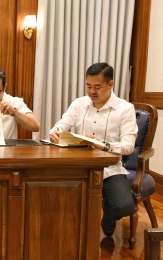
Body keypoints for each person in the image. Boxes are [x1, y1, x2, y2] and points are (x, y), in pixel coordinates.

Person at [49, 62, 137, 236]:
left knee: (123, 206)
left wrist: (103, 145)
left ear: (111, 84)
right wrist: (55, 133)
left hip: (110, 168)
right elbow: (61, 125)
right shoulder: (79, 104)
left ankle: (108, 217)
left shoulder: (125, 109)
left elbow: (128, 146)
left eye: (97, 87)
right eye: (88, 86)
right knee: (54, 198)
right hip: (78, 166)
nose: (91, 92)